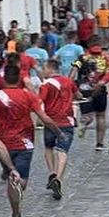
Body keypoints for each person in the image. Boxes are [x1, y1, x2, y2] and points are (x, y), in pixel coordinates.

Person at [0, 62, 57, 217]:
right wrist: (58, 132)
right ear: (19, 79)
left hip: (3, 144)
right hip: (25, 143)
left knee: (12, 176)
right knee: (21, 181)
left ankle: (15, 210)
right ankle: (16, 209)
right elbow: (43, 118)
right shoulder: (28, 95)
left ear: (3, 80)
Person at [38, 58, 76, 200]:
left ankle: (52, 172)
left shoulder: (46, 85)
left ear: (50, 68)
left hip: (50, 121)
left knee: (48, 147)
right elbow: (77, 95)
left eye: (44, 68)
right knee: (63, 151)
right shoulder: (68, 81)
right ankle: (58, 178)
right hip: (67, 121)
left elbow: (39, 101)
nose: (43, 70)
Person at [75, 42, 109, 151]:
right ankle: (99, 143)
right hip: (100, 89)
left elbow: (74, 70)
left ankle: (84, 122)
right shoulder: (106, 58)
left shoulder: (82, 58)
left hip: (84, 89)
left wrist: (72, 84)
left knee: (87, 114)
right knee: (100, 116)